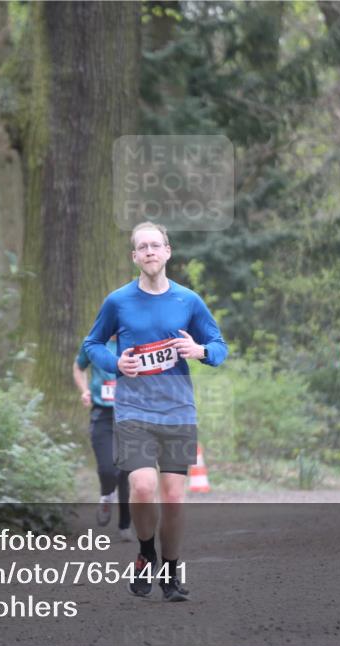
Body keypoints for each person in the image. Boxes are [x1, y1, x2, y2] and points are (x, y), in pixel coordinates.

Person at [83, 221, 227, 602]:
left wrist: (202, 352)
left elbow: (219, 344)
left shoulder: (188, 301)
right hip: (133, 410)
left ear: (167, 251)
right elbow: (93, 343)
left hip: (179, 410)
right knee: (143, 487)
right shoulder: (118, 301)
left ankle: (171, 570)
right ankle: (146, 551)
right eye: (142, 247)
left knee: (174, 499)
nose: (149, 251)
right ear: (135, 256)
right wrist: (116, 363)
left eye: (155, 245)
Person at [73, 337, 133, 541]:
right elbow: (78, 367)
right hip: (102, 415)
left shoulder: (135, 338)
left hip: (130, 415)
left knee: (126, 474)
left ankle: (125, 525)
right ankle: (107, 495)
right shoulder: (93, 342)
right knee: (108, 470)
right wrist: (85, 391)